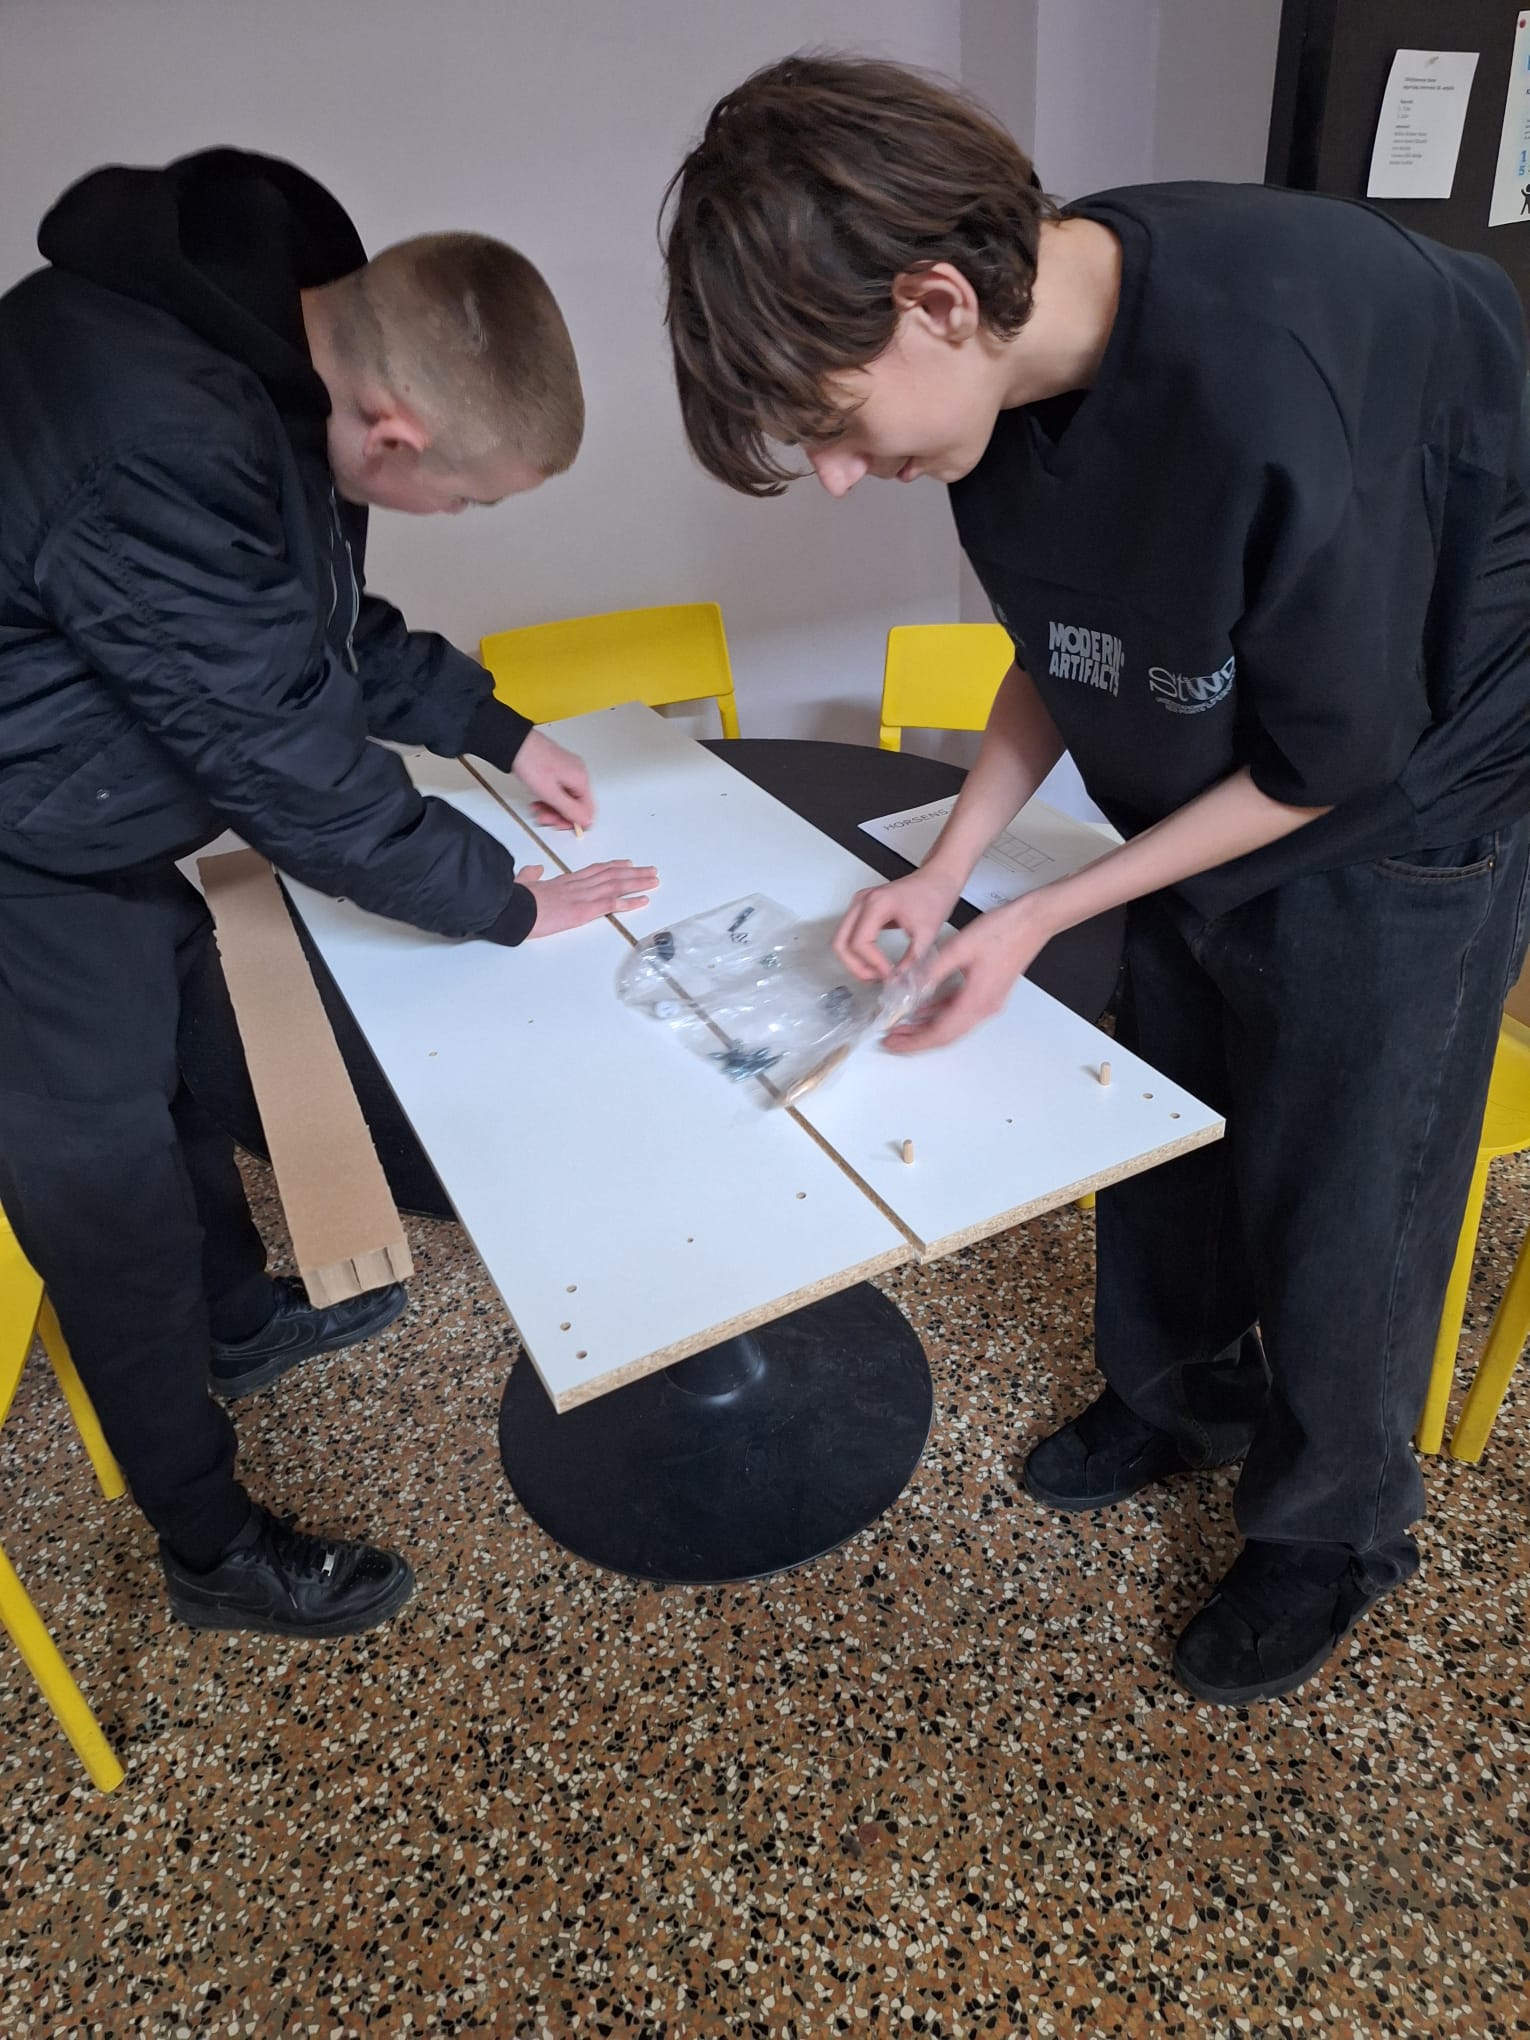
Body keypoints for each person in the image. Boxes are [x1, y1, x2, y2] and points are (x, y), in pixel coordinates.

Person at [661, 56, 1530, 1702]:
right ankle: (1180, 1392)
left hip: (1406, 786)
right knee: (1168, 1099)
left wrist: (1049, 907)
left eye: (833, 426)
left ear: (933, 301)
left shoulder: (1269, 375)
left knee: (1348, 1182)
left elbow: (1328, 760)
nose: (837, 474)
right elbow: (1065, 645)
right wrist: (953, 869)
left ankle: (1333, 1528)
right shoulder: (1007, 380)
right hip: (1227, 772)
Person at [0, 147, 656, 1638]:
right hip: (19, 855)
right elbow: (283, 761)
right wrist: (504, 900)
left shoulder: (264, 352)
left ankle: (238, 1325)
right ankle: (207, 1547)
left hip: (78, 809)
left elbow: (304, 622)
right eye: (463, 499)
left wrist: (497, 729)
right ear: (394, 428)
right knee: (109, 1206)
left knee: (182, 1070)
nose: (454, 519)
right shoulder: (155, 437)